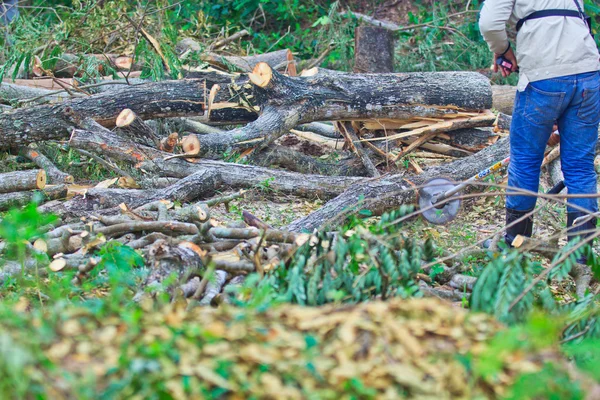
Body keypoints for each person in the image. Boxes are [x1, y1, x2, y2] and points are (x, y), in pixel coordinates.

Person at [479, 0, 600, 293]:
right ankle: (581, 254)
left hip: (544, 77)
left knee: (525, 160)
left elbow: (489, 23)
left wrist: (503, 51)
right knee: (580, 167)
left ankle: (513, 245)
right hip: (588, 73)